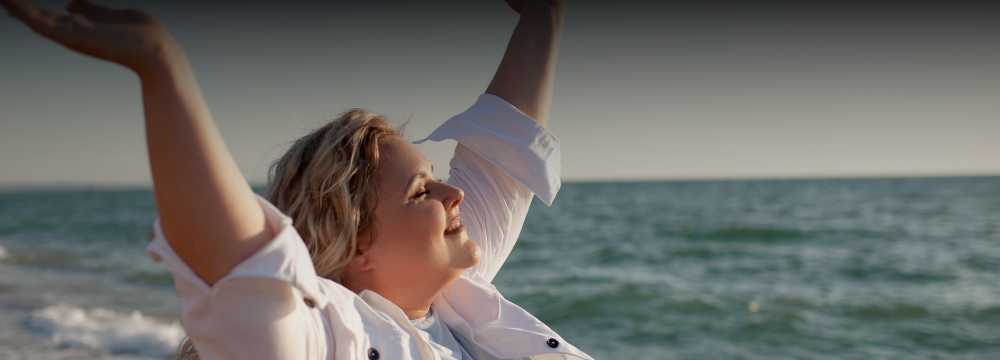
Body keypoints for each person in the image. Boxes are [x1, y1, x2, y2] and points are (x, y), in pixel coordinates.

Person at [2, 0, 593, 359]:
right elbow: (242, 266)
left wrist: (545, 16)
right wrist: (161, 68)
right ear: (359, 244)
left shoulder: (455, 301)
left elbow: (499, 152)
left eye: (434, 179)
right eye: (421, 192)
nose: (453, 193)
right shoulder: (329, 337)